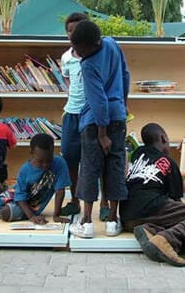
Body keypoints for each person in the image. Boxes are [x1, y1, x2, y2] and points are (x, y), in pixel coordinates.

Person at [68, 20, 130, 238]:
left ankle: (86, 222)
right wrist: (122, 103)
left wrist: (102, 134)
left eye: (78, 48)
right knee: (115, 166)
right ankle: (113, 221)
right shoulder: (112, 44)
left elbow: (98, 100)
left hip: (96, 124)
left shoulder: (88, 65)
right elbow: (125, 75)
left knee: (90, 168)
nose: (75, 52)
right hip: (118, 117)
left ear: (91, 45)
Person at [120, 123, 185, 267]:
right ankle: (166, 240)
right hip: (150, 206)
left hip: (127, 218)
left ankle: (148, 230)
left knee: (169, 219)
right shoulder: (169, 163)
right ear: (163, 138)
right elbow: (176, 201)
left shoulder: (137, 154)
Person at [59, 12, 110, 220]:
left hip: (92, 114)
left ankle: (105, 202)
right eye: (70, 31)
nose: (74, 34)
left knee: (100, 160)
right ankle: (74, 200)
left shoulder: (98, 54)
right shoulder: (66, 58)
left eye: (78, 30)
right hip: (72, 114)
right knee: (71, 158)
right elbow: (69, 83)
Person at [0, 133, 71, 224]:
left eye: (49, 160)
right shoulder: (25, 169)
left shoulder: (60, 163)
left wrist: (56, 215)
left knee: (5, 213)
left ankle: (6, 204)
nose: (45, 164)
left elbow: (60, 191)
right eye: (40, 161)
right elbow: (20, 194)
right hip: (16, 195)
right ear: (31, 152)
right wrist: (31, 217)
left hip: (31, 205)